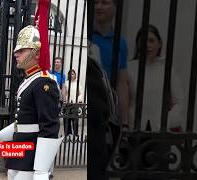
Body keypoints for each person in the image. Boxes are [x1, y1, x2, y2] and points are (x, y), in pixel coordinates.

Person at [0, 25, 63, 180]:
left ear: (37, 53)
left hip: (33, 155)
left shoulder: (44, 82)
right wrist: (0, 135)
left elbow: (49, 126)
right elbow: (25, 120)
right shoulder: (29, 79)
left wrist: (41, 169)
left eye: (21, 50)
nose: (15, 54)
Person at [128, 24, 184, 132]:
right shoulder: (129, 68)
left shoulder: (168, 70)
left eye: (151, 41)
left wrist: (166, 120)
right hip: (133, 130)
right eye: (143, 40)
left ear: (159, 44)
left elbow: (179, 103)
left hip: (160, 130)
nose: (147, 45)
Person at [92, 0, 130, 128]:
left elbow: (121, 83)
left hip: (107, 108)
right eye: (96, 2)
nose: (99, 6)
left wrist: (125, 122)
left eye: (105, 2)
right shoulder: (86, 36)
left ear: (115, 7)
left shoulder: (120, 43)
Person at [63, 69, 83, 137]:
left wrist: (78, 100)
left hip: (75, 103)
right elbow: (64, 93)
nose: (71, 75)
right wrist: (65, 100)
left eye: (73, 74)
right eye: (70, 74)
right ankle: (68, 133)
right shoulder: (66, 83)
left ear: (75, 75)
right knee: (66, 118)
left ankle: (75, 133)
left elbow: (81, 93)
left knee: (75, 119)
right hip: (68, 103)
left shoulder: (78, 83)